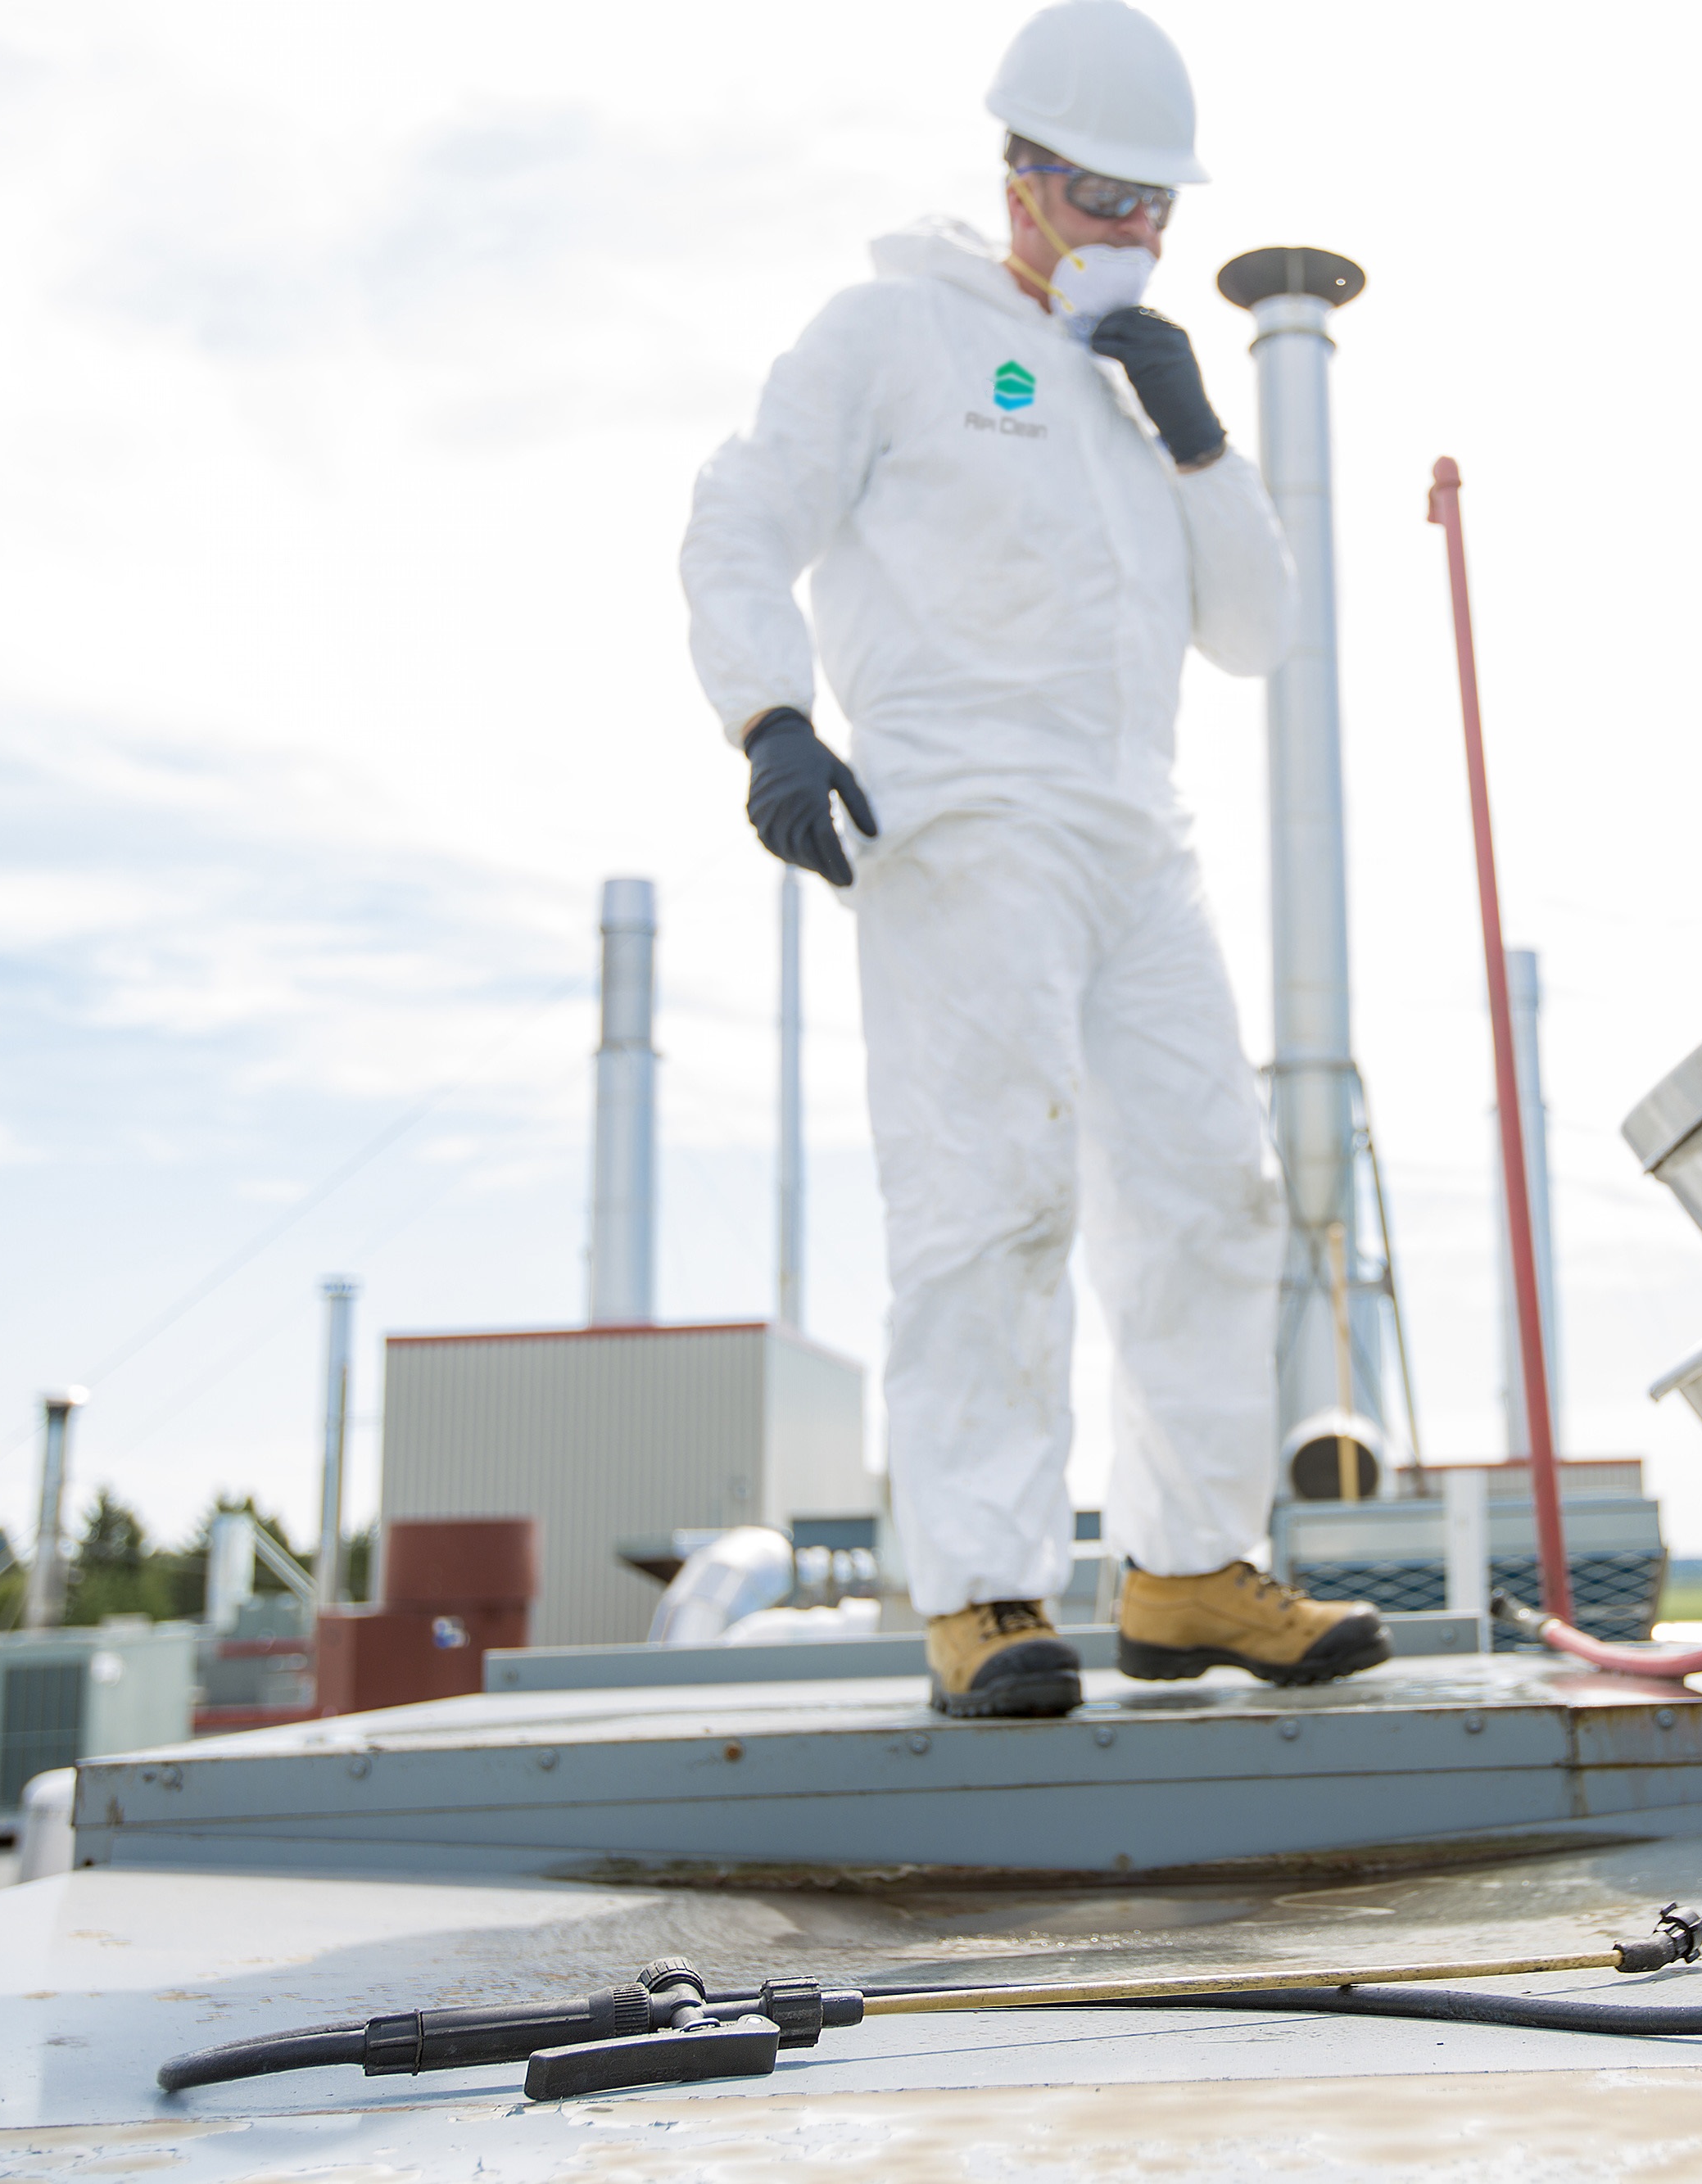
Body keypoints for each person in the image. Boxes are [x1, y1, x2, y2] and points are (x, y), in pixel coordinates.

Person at [680, 0, 1392, 1718]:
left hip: (1135, 830)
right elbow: (740, 510)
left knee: (1205, 1191)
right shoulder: (888, 335)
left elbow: (1256, 631)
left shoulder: (1139, 390)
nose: (1130, 236)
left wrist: (1202, 440)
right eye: (1100, 199)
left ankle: (1187, 1569)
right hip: (958, 812)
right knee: (991, 1189)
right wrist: (770, 717)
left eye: (1155, 207)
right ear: (1016, 176)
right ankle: (985, 1590)